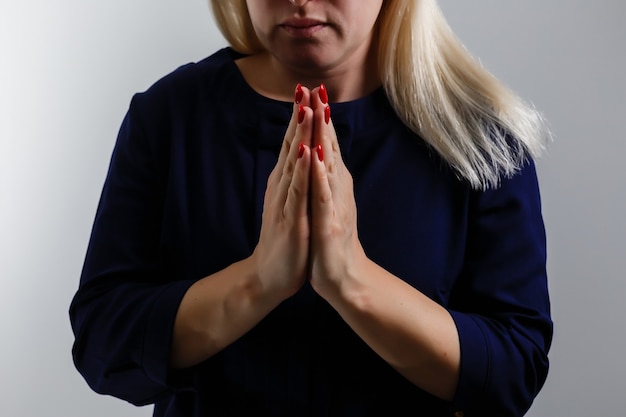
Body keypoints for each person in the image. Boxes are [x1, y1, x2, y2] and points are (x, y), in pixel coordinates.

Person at [69, 0, 553, 416]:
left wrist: (351, 279)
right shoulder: (167, 117)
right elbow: (103, 345)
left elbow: (511, 373)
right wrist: (258, 280)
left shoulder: (484, 142)